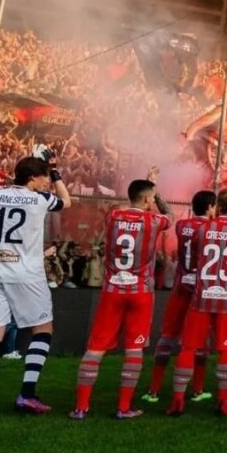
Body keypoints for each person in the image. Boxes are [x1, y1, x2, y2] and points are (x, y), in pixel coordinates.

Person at [70, 171, 171, 420]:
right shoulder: (154, 221)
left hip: (112, 290)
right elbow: (170, 215)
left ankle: (81, 408)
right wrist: (158, 195)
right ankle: (123, 408)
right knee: (134, 349)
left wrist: (149, 193)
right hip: (140, 293)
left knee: (94, 349)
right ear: (148, 199)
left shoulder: (113, 215)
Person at [0, 155, 70, 416]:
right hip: (26, 273)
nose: (48, 183)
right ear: (32, 178)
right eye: (45, 177)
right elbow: (67, 201)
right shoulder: (40, 200)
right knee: (43, 328)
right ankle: (26, 394)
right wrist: (58, 173)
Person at [168, 189, 227, 417]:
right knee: (226, 349)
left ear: (218, 206)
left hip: (201, 298)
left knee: (188, 347)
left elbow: (196, 260)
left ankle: (177, 400)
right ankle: (224, 402)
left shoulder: (202, 229)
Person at [142, 190, 216, 404]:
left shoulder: (183, 225)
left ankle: (153, 391)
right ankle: (197, 389)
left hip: (180, 285)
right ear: (210, 206)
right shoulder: (211, 228)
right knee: (200, 342)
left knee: (167, 337)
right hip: (201, 289)